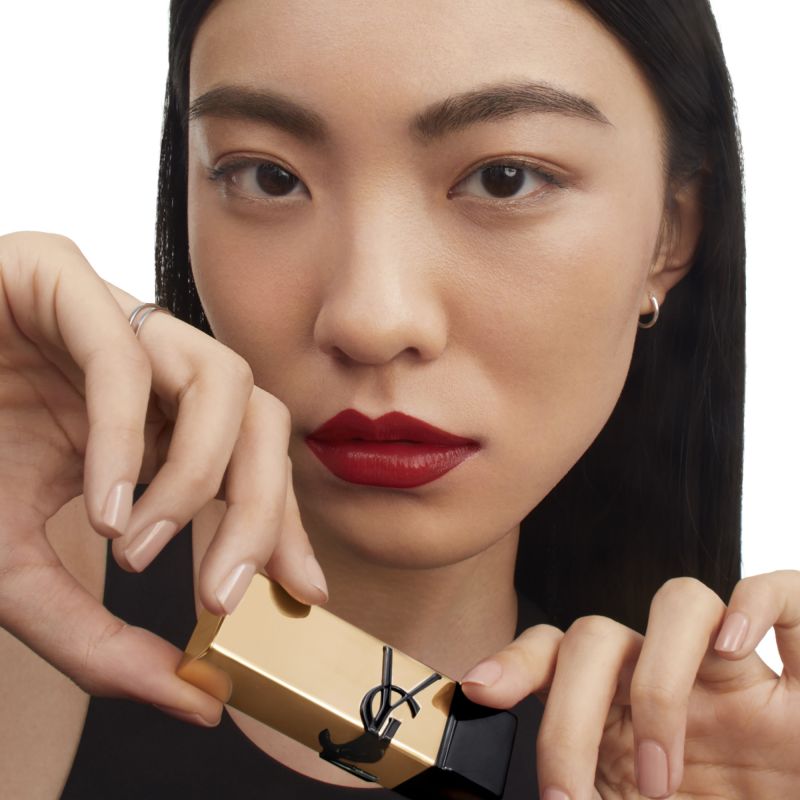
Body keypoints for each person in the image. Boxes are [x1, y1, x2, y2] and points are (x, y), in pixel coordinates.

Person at [1, 0, 798, 798]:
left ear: (671, 231)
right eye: (269, 176)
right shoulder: (31, 564)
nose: (371, 320)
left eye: (504, 178)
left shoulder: (698, 761)